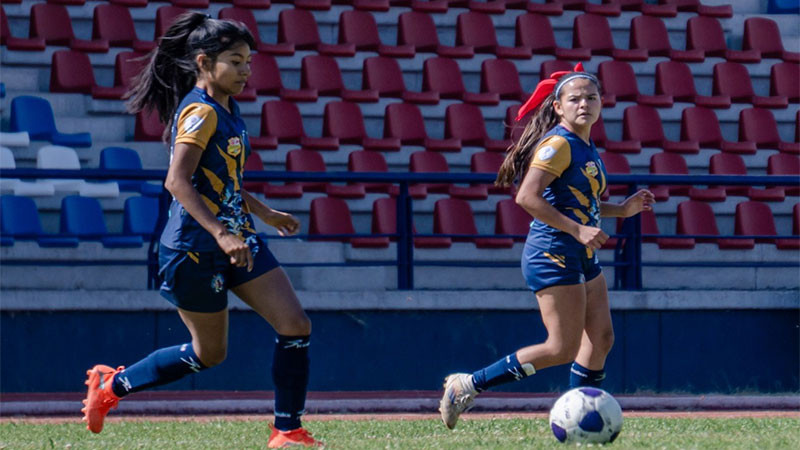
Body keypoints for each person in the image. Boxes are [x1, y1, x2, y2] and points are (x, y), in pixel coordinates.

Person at [81, 12, 322, 448]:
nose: (246, 70)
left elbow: (222, 177)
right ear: (204, 62)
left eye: (249, 61)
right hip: (194, 247)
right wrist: (221, 233)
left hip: (237, 239)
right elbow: (177, 180)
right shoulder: (199, 112)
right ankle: (111, 386)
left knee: (295, 324)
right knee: (209, 354)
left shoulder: (229, 108)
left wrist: (263, 213)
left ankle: (287, 431)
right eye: (235, 61)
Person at [438, 64, 655, 430]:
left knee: (600, 338)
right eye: (575, 99)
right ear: (558, 107)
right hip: (552, 250)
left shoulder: (584, 144)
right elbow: (527, 197)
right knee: (561, 348)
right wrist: (577, 230)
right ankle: (467, 385)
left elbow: (578, 201)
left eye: (591, 97)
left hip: (578, 251)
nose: (584, 103)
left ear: (602, 103)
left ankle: (582, 422)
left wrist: (622, 209)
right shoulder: (558, 144)